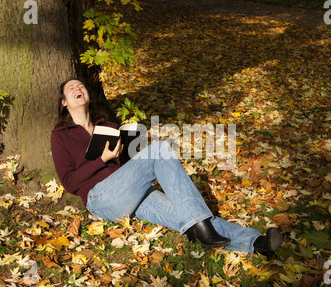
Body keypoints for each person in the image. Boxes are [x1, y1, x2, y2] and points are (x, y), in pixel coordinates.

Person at [51, 78, 283, 258]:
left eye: (80, 85)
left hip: (128, 193)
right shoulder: (61, 136)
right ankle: (202, 228)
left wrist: (127, 152)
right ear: (64, 102)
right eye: (71, 88)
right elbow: (69, 182)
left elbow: (125, 169)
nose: (77, 88)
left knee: (188, 213)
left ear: (89, 95)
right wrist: (101, 160)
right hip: (100, 200)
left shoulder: (108, 126)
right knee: (160, 149)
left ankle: (257, 243)